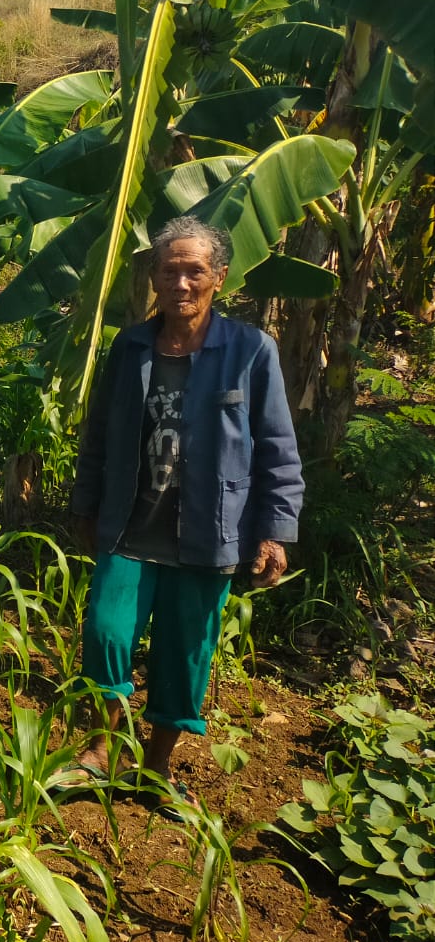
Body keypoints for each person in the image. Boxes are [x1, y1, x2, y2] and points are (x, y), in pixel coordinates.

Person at [65, 215, 303, 813]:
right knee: (105, 633)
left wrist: (275, 532)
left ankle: (157, 766)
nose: (181, 283)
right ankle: (102, 749)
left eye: (194, 271)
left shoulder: (250, 351)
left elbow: (277, 448)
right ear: (153, 276)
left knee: (184, 652)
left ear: (218, 277)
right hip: (130, 524)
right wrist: (85, 503)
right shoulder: (131, 347)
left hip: (209, 533)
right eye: (169, 270)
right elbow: (100, 434)